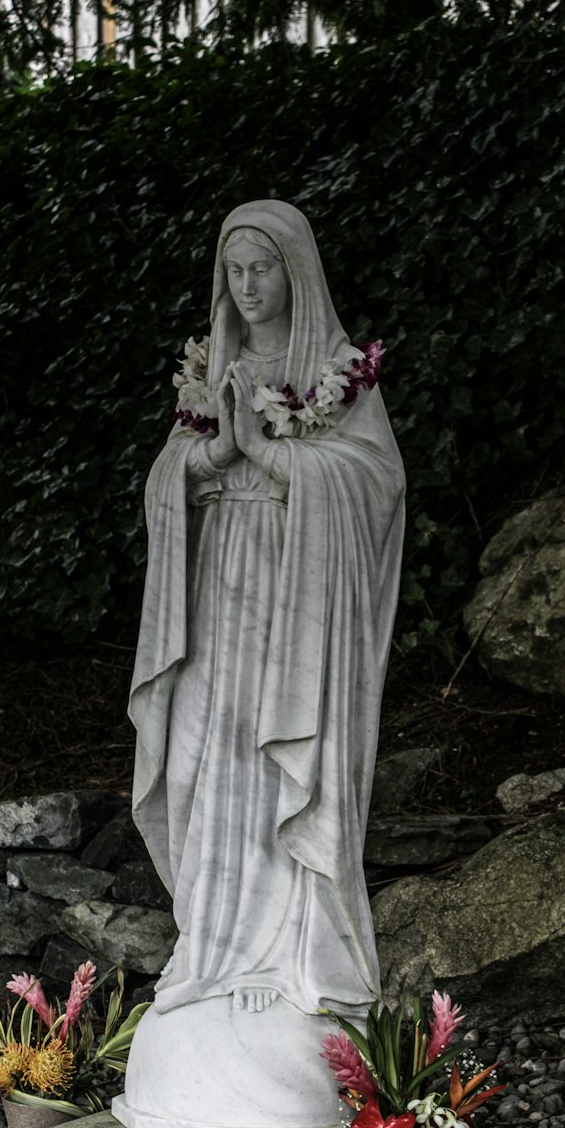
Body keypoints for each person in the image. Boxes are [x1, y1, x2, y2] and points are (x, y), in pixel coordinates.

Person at [128, 200, 406, 1032]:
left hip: (298, 595)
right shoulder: (206, 369)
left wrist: (270, 454)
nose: (247, 287)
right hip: (218, 590)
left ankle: (288, 960)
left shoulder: (338, 370)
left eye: (262, 268)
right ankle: (210, 951)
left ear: (296, 271)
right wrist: (212, 453)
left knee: (278, 757)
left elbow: (377, 482)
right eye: (233, 271)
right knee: (201, 758)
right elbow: (164, 478)